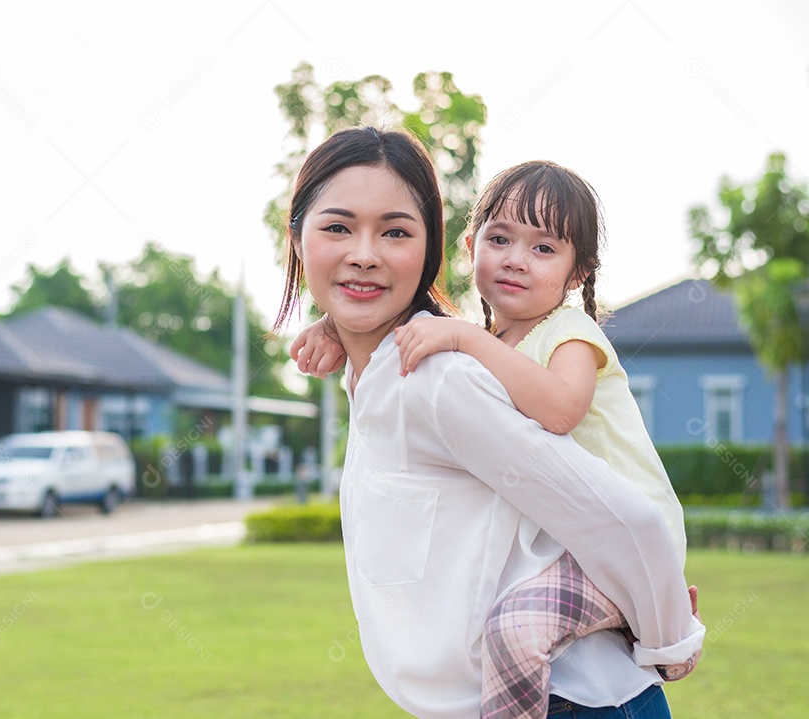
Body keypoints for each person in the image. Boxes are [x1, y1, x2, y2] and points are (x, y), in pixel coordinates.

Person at [275, 126, 704, 719]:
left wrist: (671, 638)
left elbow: (628, 517)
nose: (365, 253)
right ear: (297, 237)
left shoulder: (454, 372)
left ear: (430, 249)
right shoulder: (456, 354)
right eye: (338, 227)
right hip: (535, 690)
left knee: (517, 628)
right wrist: (339, 328)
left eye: (395, 231)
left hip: (577, 699)